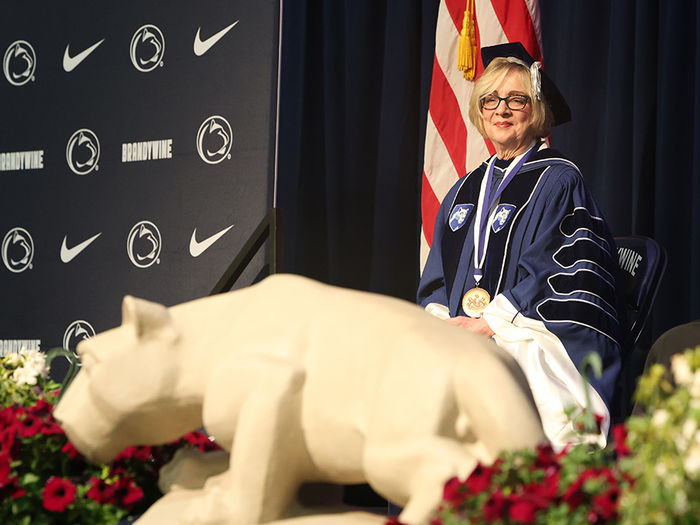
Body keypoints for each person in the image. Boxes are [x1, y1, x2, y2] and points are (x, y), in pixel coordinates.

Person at [418, 42, 624, 448]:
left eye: (516, 99)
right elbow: (436, 278)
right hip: (463, 332)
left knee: (503, 377)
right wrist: (443, 324)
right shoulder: (462, 190)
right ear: (479, 111)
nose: (502, 110)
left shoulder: (559, 180)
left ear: (538, 110)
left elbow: (559, 273)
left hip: (528, 331)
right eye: (491, 100)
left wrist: (490, 323)